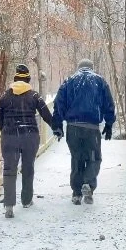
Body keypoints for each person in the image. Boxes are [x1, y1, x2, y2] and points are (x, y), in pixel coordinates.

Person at [51, 58, 116, 205]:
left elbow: (59, 104)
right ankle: (88, 184)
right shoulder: (100, 81)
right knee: (94, 158)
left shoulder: (69, 81)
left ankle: (76, 193)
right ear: (91, 68)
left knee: (77, 159)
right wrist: (109, 124)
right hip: (91, 128)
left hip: (73, 127)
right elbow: (108, 104)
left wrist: (58, 124)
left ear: (78, 68)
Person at [0, 64, 54, 218]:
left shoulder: (5, 96)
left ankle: (9, 204)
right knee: (28, 168)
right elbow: (46, 114)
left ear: (14, 79)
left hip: (10, 136)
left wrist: (7, 131)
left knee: (9, 169)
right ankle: (27, 200)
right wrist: (57, 128)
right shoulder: (34, 96)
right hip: (29, 136)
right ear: (28, 79)